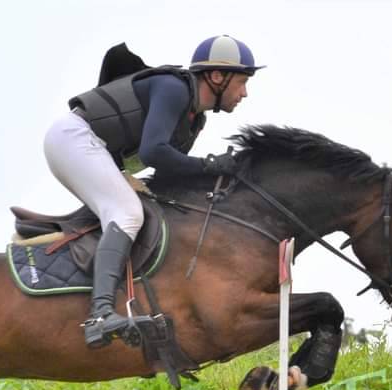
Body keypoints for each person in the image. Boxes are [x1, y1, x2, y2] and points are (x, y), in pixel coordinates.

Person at [43, 35, 263, 348]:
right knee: (126, 212)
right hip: (73, 138)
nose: (244, 93)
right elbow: (154, 152)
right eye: (241, 82)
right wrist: (212, 165)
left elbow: (170, 174)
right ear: (217, 76)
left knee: (145, 211)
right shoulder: (173, 89)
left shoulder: (194, 120)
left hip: (91, 148)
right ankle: (100, 314)